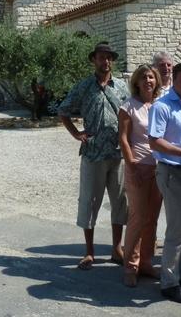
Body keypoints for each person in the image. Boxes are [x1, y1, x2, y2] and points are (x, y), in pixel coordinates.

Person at [59, 41, 130, 270]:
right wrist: (76, 133)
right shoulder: (83, 87)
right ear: (94, 60)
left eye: (109, 57)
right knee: (90, 200)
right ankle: (89, 251)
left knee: (120, 201)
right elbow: (63, 110)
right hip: (93, 153)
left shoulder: (121, 87)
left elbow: (131, 115)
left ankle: (117, 248)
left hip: (118, 152)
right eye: (101, 57)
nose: (105, 61)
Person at [148, 62, 181, 305]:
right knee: (176, 231)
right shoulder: (162, 106)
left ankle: (180, 275)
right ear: (175, 79)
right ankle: (169, 283)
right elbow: (154, 141)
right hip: (173, 171)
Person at [118, 64, 164, 287]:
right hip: (139, 166)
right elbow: (124, 139)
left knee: (152, 219)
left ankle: (146, 261)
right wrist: (132, 166)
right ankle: (130, 266)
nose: (148, 80)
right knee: (137, 217)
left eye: (152, 77)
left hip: (160, 168)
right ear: (136, 81)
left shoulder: (159, 104)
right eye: (144, 77)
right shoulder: (129, 106)